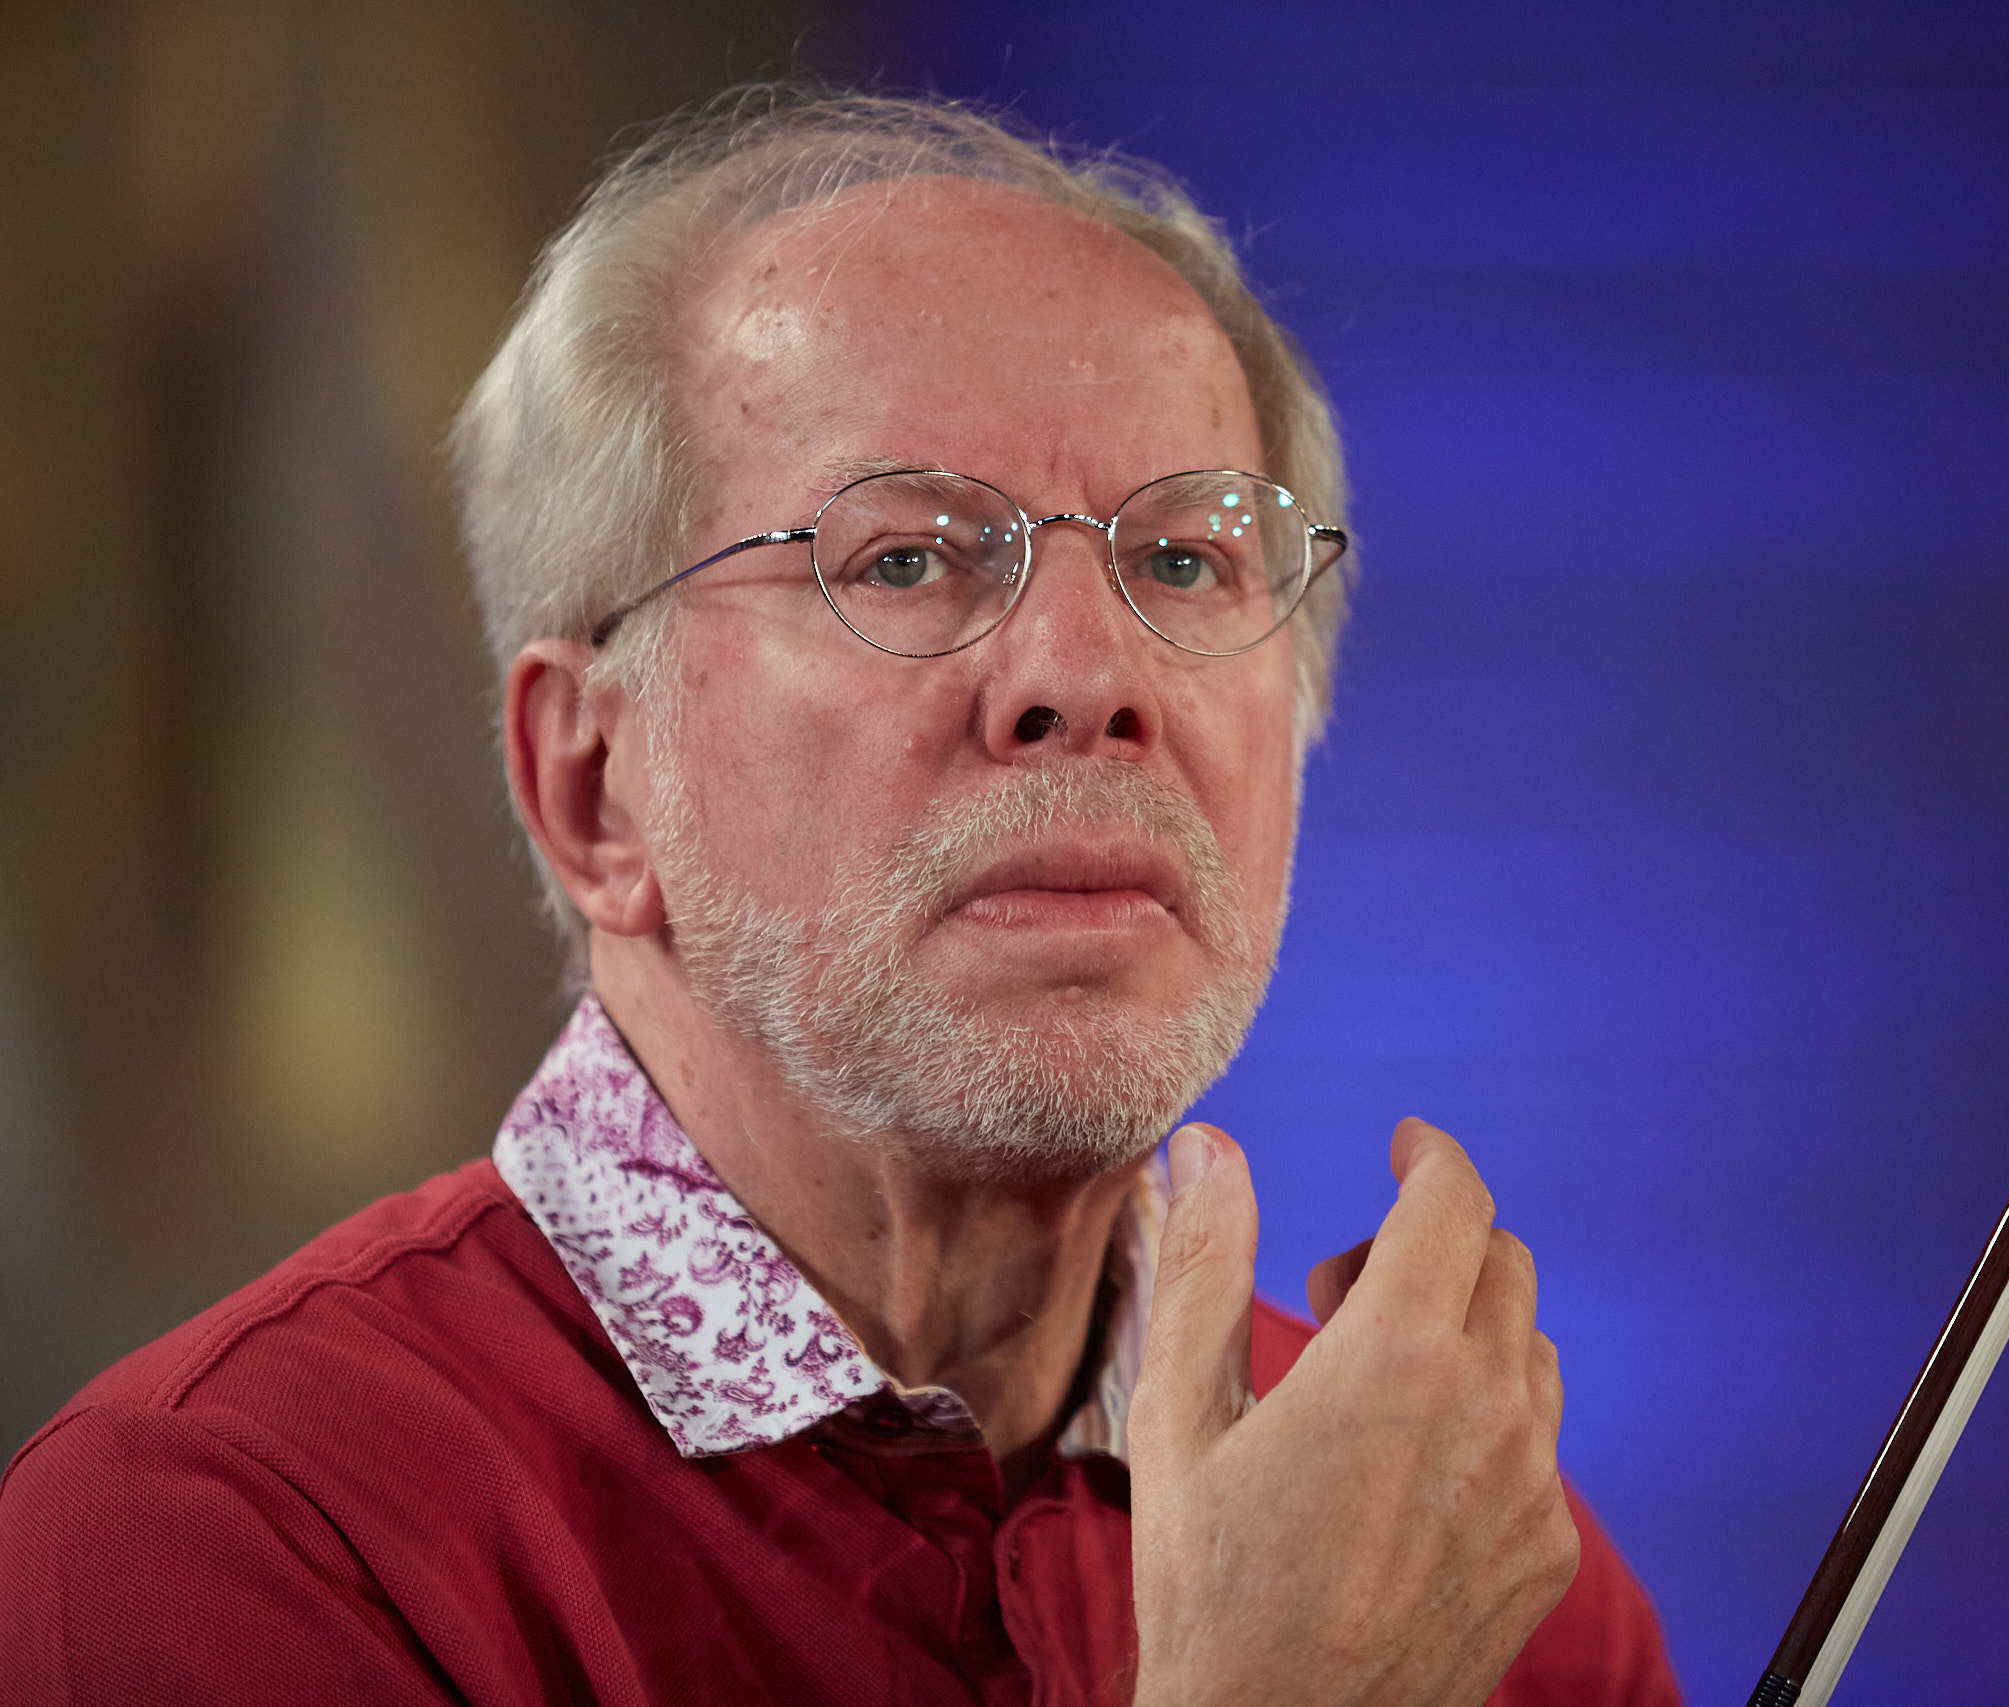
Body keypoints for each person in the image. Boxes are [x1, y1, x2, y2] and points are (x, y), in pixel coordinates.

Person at [0, 87, 1677, 1705]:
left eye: (1183, 559)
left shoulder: (1450, 1545)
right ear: (593, 783)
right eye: (904, 556)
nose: (1090, 677)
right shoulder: (222, 1540)